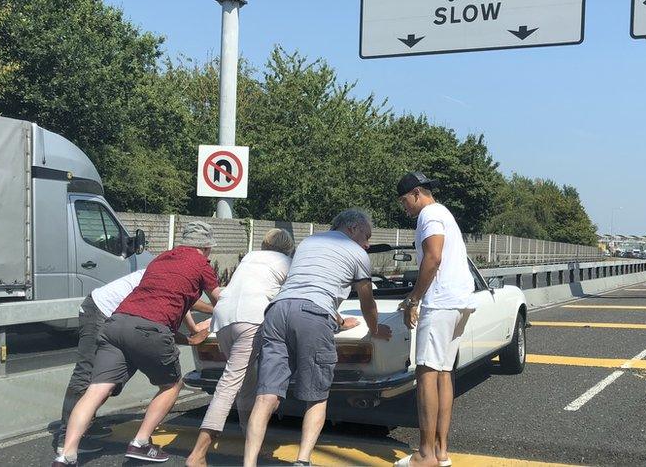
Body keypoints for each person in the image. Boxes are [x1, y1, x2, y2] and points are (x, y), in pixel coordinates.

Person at [52, 221, 221, 466]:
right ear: (206, 248)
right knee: (172, 385)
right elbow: (218, 300)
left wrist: (192, 332)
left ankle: (66, 454)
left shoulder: (161, 260)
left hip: (116, 321)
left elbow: (167, 299)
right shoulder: (200, 263)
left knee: (96, 388)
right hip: (143, 325)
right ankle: (141, 442)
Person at [242, 209, 392, 467]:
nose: (367, 243)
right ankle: (302, 461)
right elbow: (367, 302)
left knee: (266, 395)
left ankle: (248, 463)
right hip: (313, 315)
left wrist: (339, 320)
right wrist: (375, 329)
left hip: (278, 310)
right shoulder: (358, 254)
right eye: (366, 235)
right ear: (353, 228)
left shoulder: (309, 242)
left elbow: (305, 286)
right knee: (317, 395)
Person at [185, 228, 296, 467]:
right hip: (252, 319)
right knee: (229, 384)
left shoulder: (249, 257)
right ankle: (198, 453)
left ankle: (251, 443)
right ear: (289, 247)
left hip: (224, 318)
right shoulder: (286, 262)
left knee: (246, 384)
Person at [393, 172, 475, 467]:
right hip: (461, 300)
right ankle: (440, 452)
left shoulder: (428, 214)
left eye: (405, 201)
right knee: (443, 373)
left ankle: (425, 455)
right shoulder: (445, 213)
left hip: (440, 302)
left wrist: (414, 299)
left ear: (416, 193)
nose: (405, 208)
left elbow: (433, 257)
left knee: (426, 373)